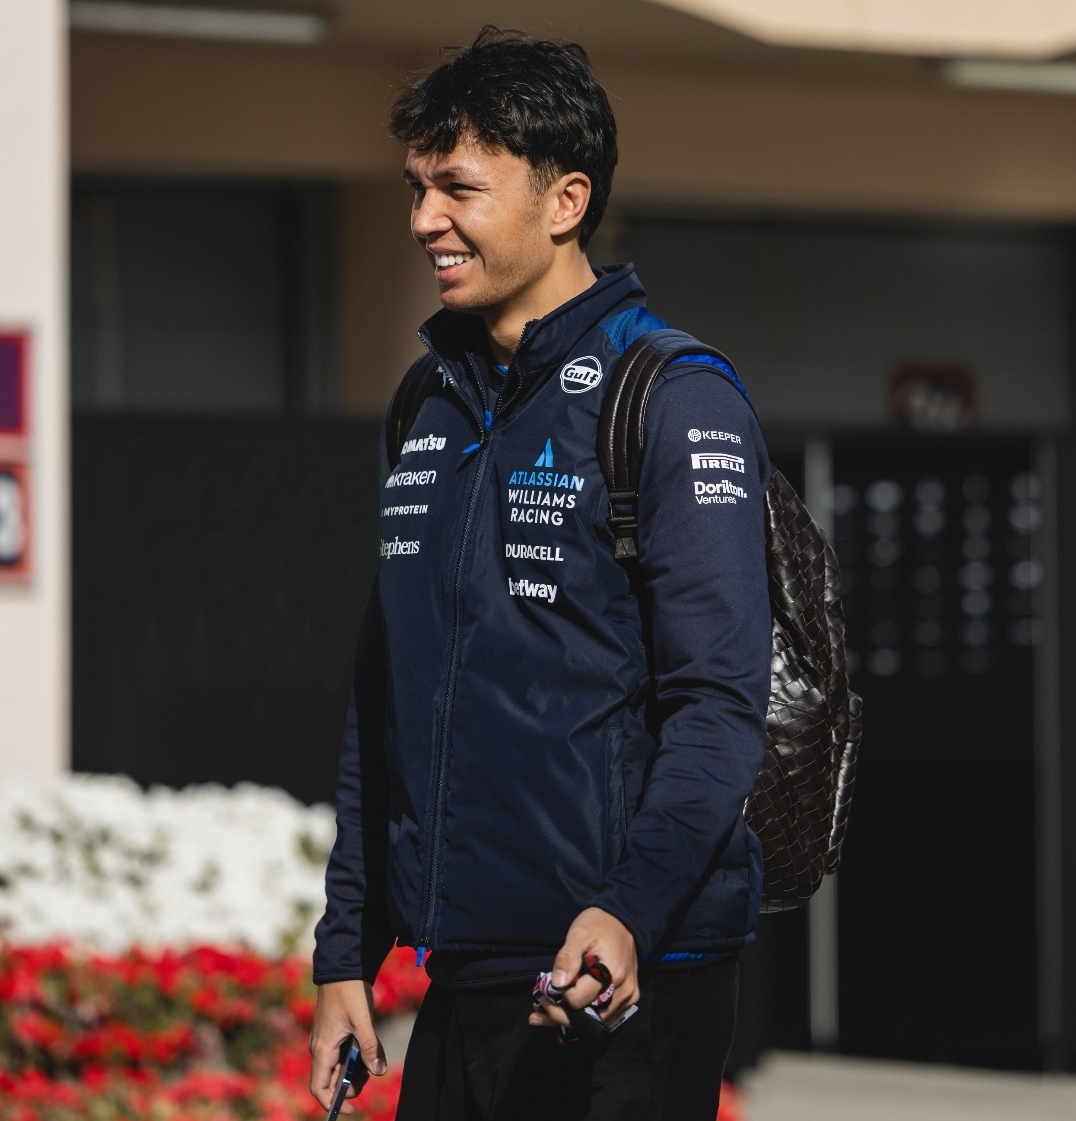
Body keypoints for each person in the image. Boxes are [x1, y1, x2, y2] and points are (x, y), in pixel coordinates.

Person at [309, 27, 771, 1121]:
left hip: (622, 979)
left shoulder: (674, 395)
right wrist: (346, 952)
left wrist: (629, 908)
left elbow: (718, 704)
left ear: (566, 201)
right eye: (418, 188)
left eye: (459, 189)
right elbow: (386, 692)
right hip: (465, 976)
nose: (425, 219)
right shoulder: (427, 402)